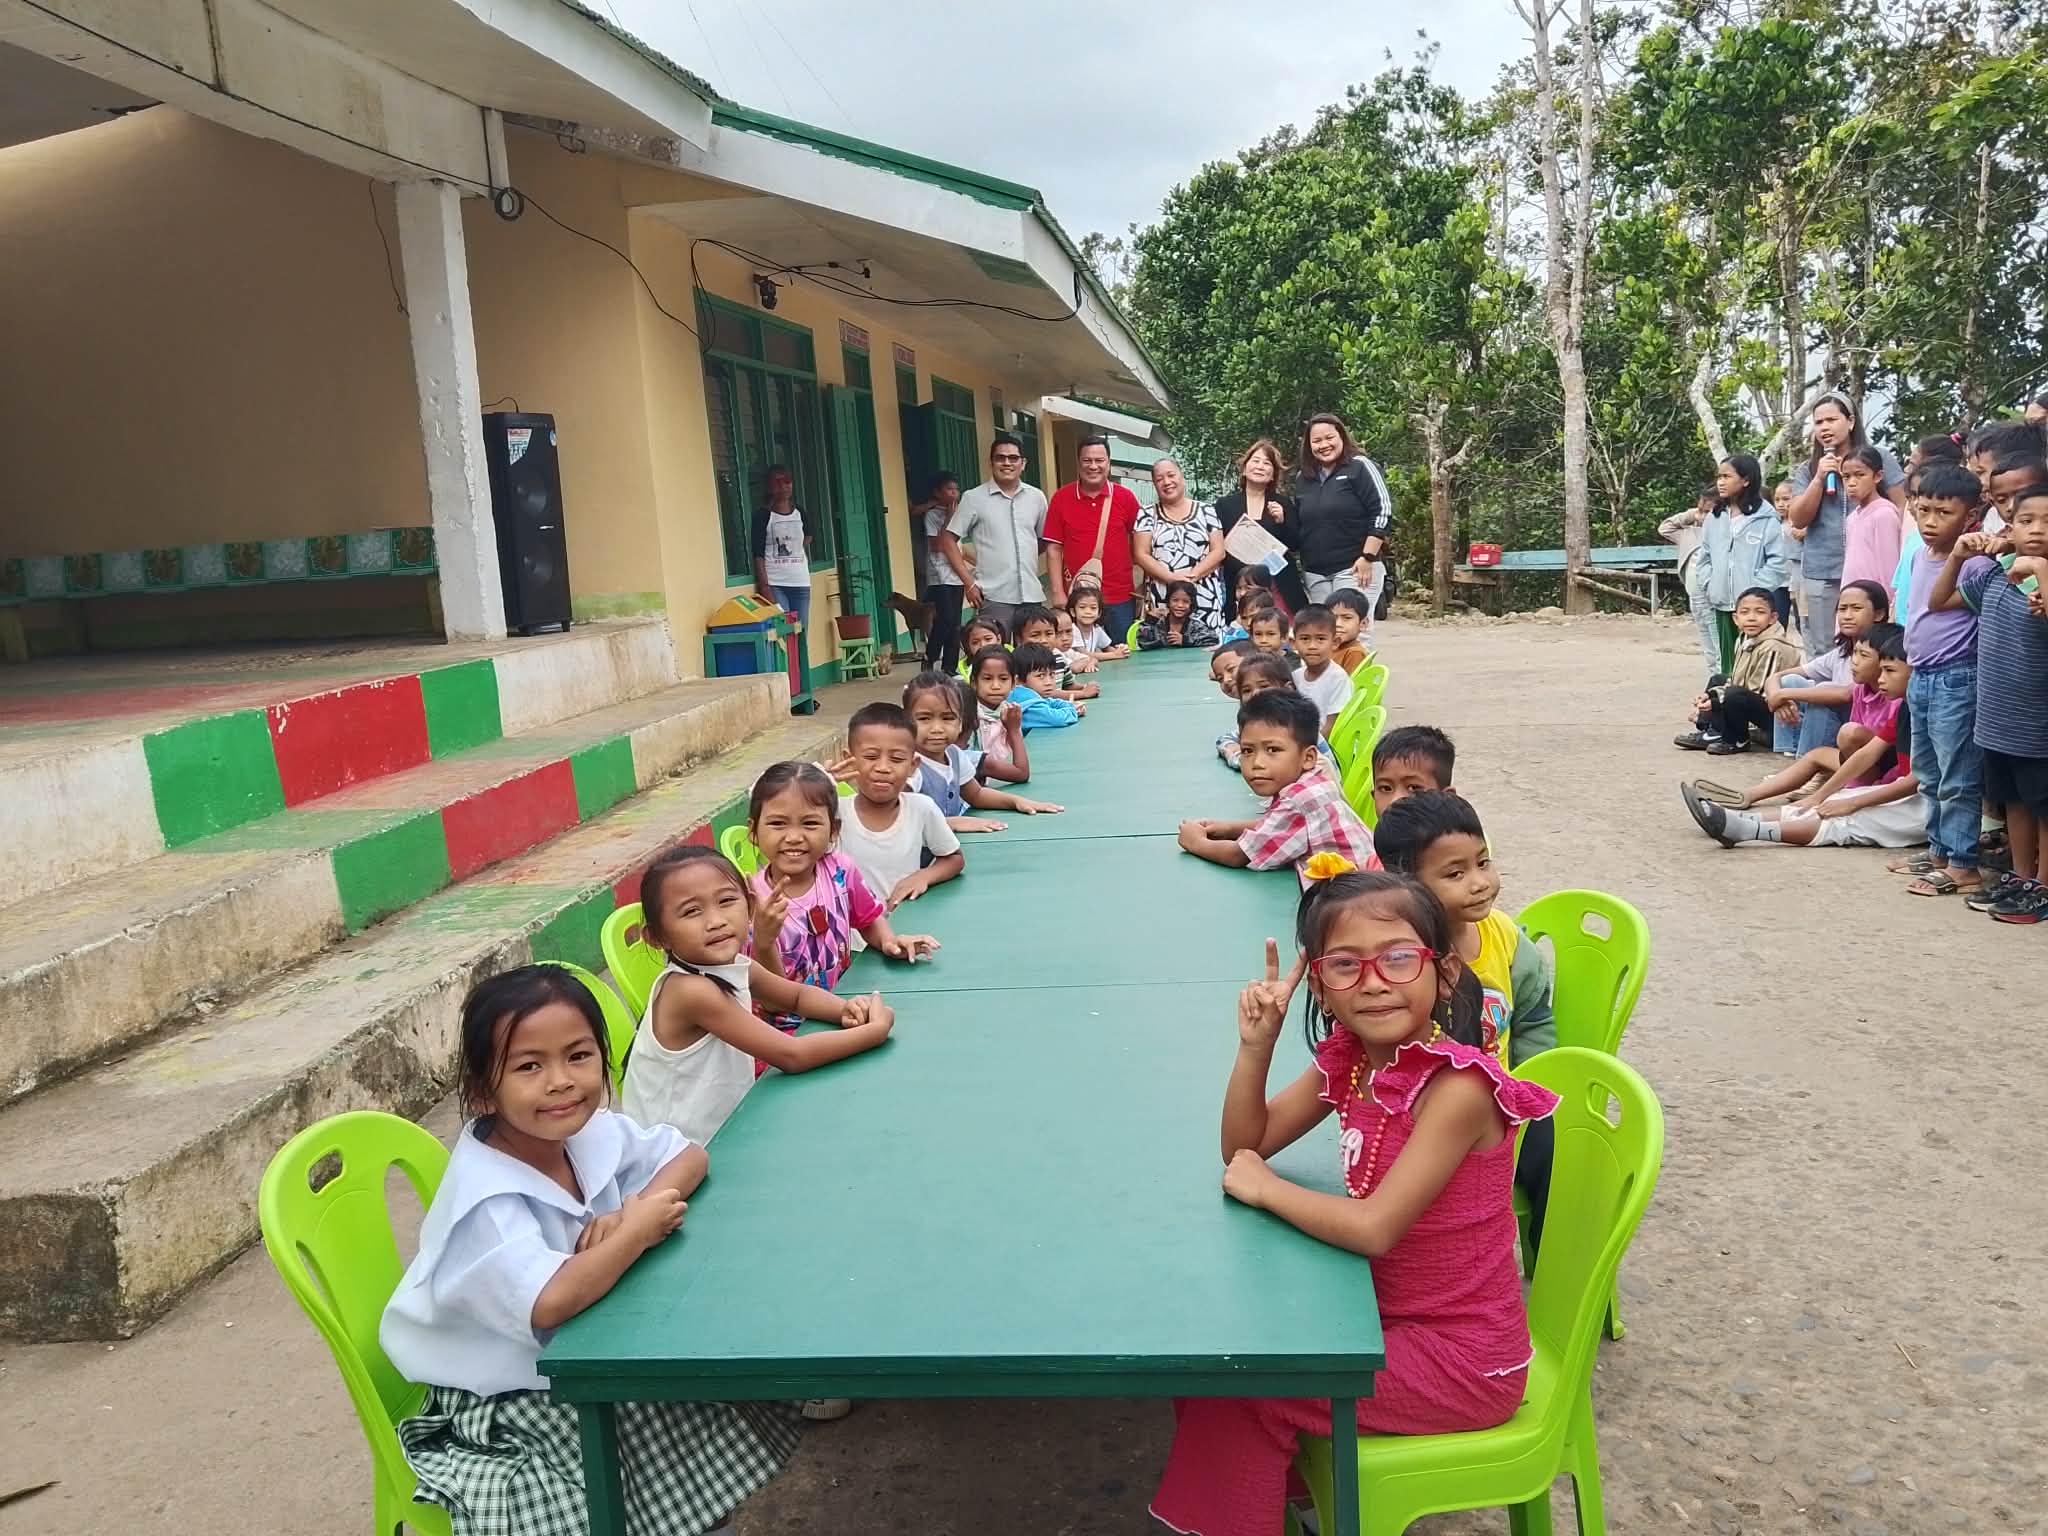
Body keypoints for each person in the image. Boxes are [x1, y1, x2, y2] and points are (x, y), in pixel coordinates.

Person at [1149, 869, 1558, 1536]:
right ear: (1321, 988)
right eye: (1345, 965)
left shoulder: (1457, 1089)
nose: (1373, 980)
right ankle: (1289, 1504)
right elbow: (1246, 1144)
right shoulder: (1355, 1059)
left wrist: (1267, 1188)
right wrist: (1257, 1046)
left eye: (1398, 958)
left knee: (1246, 1389)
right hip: (1383, 1318)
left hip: (1467, 1359)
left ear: (1443, 972)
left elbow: (1371, 1229)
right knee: (1206, 1358)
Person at [382, 967, 802, 1536]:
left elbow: (690, 1157)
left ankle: (691, 1516)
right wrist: (635, 1232)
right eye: (529, 1065)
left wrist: (635, 1209)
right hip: (509, 1395)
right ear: (483, 1089)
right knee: (617, 1479)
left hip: (592, 1346)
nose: (561, 1082)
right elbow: (550, 1302)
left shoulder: (586, 1131)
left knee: (710, 1404)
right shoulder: (486, 1200)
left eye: (578, 1056)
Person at [1373, 791, 1557, 1241]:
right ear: (1406, 884)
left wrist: (1531, 1082)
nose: (1479, 882)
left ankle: (1553, 1252)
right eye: (1455, 873)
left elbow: (1534, 1018)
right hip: (1421, 1111)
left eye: (1483, 862)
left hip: (1503, 1107)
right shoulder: (1402, 959)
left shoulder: (1506, 940)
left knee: (1555, 1154)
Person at [622, 848, 894, 1145]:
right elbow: (792, 1055)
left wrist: (845, 1009)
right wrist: (874, 1031)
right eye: (691, 911)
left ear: (750, 907)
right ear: (658, 937)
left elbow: (795, 997)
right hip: (675, 1158)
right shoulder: (690, 991)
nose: (715, 921)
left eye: (726, 901)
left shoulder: (733, 965)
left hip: (726, 1131)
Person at [1679, 626, 1922, 849]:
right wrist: (1820, 796)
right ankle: (1736, 819)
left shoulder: (1926, 715)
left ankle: (1748, 829)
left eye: (1889, 671)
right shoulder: (1906, 709)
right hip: (1904, 790)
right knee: (1829, 803)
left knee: (1845, 818)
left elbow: (1916, 781)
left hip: (1926, 806)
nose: (1880, 678)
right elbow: (1866, 754)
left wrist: (1854, 802)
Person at [1930, 488, 2048, 921]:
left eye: (2047, 522)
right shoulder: (1996, 576)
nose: (2035, 529)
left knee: (2043, 808)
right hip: (1999, 718)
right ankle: (2020, 876)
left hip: (2039, 721)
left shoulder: (2040, 574)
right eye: (2026, 520)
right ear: (2008, 526)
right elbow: (1938, 602)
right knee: (2012, 801)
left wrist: (2038, 568)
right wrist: (1959, 557)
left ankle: (2043, 888)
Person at [745, 762, 940, 1000]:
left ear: (834, 831)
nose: (794, 837)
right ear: (753, 832)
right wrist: (763, 943)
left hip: (842, 1002)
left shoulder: (839, 871)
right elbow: (770, 1000)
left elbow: (867, 919)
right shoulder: (750, 900)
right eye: (777, 824)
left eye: (810, 823)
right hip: (785, 1027)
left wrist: (888, 941)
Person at [1889, 463, 1994, 898]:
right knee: (1929, 772)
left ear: (1971, 516)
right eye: (1924, 509)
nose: (1931, 522)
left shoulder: (1975, 565)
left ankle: (1962, 863)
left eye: (1944, 513)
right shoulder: (1918, 553)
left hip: (1957, 678)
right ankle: (1938, 851)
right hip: (1922, 674)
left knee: (1957, 775)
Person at [1177, 689, 1376, 882]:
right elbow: (1280, 825)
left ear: (1308, 757)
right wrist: (1228, 828)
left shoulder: (1300, 799)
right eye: (1247, 751)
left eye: (1272, 749)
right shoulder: (1309, 781)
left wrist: (1196, 842)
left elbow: (1239, 855)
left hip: (1356, 899)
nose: (1257, 763)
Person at [1787, 392, 1906, 657]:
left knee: (1871, 646)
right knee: (1824, 648)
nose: (1825, 428)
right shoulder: (1809, 469)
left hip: (1870, 573)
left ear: (1850, 421)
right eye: (1818, 423)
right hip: (1822, 571)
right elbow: (1798, 518)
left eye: (1831, 419)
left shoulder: (1879, 457)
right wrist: (1819, 478)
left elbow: (1903, 507)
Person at [831, 702, 965, 911]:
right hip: (849, 938)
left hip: (904, 931)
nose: (883, 768)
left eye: (897, 759)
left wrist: (923, 876)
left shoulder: (921, 809)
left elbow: (954, 858)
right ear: (849, 760)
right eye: (871, 757)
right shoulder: (833, 813)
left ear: (913, 766)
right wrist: (820, 782)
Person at [902, 671, 1063, 831]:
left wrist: (1016, 801)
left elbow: (976, 794)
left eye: (947, 718)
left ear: (960, 722)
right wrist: (952, 823)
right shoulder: (908, 768)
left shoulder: (954, 755)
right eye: (924, 719)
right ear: (906, 722)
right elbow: (901, 819)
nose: (936, 729)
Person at [1764, 579, 1891, 756]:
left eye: (1856, 609)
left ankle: (1807, 761)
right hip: (1840, 723)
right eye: (1842, 609)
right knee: (1789, 681)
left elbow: (1847, 694)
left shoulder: (1885, 650)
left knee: (1824, 693)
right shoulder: (1841, 652)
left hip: (1865, 728)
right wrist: (1776, 696)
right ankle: (1788, 754)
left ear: (1878, 614)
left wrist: (1782, 695)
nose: (1847, 615)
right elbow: (1776, 677)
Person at [939, 433, 1049, 633]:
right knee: (995, 657)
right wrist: (968, 582)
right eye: (1000, 458)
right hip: (993, 597)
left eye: (1013, 458)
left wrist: (1024, 557)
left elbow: (1043, 540)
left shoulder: (1037, 497)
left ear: (1023, 464)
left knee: (1033, 657)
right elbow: (948, 539)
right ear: (991, 463)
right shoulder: (974, 498)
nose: (1007, 463)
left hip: (1032, 595)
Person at [1674, 587, 1803, 755]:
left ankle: (1737, 739)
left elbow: (1761, 695)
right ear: (1736, 618)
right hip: (1755, 701)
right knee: (1718, 680)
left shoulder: (1773, 647)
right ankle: (1712, 730)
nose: (1751, 618)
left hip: (1777, 717)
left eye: (1760, 612)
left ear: (1772, 618)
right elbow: (1736, 680)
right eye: (1745, 612)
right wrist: (1711, 695)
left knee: (1734, 695)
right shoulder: (1745, 640)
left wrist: (1715, 703)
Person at [1694, 454, 1789, 674]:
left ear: (1746, 480)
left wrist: (1754, 590)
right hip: (1724, 605)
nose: (1720, 482)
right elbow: (1704, 558)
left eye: (1727, 476)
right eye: (1719, 476)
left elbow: (1777, 562)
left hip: (1754, 608)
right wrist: (1711, 585)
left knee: (1758, 663)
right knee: (1729, 665)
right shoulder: (1715, 518)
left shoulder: (1766, 518)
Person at [1294, 413, 1393, 614]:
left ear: (1342, 437)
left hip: (1355, 568)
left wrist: (1367, 556)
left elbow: (1382, 510)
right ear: (1309, 445)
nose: (1324, 445)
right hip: (1315, 573)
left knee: (1352, 634)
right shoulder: (1303, 478)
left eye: (1329, 438)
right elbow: (1301, 522)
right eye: (1317, 441)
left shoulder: (1359, 466)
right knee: (1325, 636)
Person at [1043, 436, 1142, 634]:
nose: (1093, 466)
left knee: (1122, 655)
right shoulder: (1061, 498)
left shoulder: (1126, 498)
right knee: (1080, 656)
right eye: (1087, 461)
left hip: (1119, 596)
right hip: (1076, 599)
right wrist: (1057, 593)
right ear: (1079, 463)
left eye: (1099, 460)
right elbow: (1053, 549)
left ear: (1109, 463)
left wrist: (1142, 587)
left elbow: (1141, 544)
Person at [1134, 457, 1227, 630]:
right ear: (1154, 484)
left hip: (1204, 594)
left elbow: (1219, 551)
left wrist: (1191, 577)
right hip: (1164, 595)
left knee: (1206, 647)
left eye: (1171, 475)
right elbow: (1140, 554)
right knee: (1165, 649)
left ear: (1181, 477)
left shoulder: (1207, 510)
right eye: (1160, 479)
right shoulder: (1146, 514)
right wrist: (1171, 579)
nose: (1167, 482)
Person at [1214, 437, 1303, 618]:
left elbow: (1295, 544)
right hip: (1238, 586)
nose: (1260, 466)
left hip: (1277, 585)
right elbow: (1216, 546)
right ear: (1245, 468)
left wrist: (1282, 521)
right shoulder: (1225, 505)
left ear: (1273, 474)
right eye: (1255, 461)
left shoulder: (1282, 504)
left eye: (1267, 463)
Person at [1660, 484, 1725, 679]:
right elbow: (1665, 527)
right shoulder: (1689, 533)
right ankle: (1713, 677)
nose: (1704, 516)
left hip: (1712, 597)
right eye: (1701, 511)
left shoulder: (1723, 534)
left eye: (1709, 512)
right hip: (1695, 597)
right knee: (1706, 642)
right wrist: (1691, 514)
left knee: (1718, 641)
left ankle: (1722, 677)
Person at [750, 464, 815, 633]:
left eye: (787, 481)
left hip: (800, 582)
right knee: (784, 633)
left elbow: (809, 535)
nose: (783, 486)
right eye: (777, 482)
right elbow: (758, 554)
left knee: (801, 633)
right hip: (775, 583)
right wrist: (764, 587)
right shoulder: (763, 516)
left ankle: (802, 661)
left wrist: (794, 545)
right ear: (769, 487)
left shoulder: (799, 512)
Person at [1840, 445, 1908, 589]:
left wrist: (1888, 604)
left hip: (1874, 600)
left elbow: (1889, 567)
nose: (1851, 483)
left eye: (1859, 475)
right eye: (1846, 477)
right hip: (1853, 597)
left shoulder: (1884, 514)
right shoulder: (1852, 518)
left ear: (1877, 476)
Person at [920, 471, 966, 672]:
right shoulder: (932, 515)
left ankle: (950, 666)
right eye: (949, 489)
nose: (954, 494)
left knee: (955, 623)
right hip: (939, 575)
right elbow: (939, 545)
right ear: (937, 493)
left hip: (957, 574)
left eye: (956, 489)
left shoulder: (961, 514)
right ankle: (930, 656)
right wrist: (948, 519)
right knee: (945, 619)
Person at [967, 645, 1032, 782]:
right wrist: (1013, 731)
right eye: (987, 678)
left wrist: (1013, 729)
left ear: (1014, 682)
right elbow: (1022, 774)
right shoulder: (968, 715)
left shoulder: (1011, 712)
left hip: (1006, 776)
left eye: (1003, 679)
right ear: (974, 682)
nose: (995, 686)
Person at [1289, 603, 1354, 736]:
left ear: (1335, 642)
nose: (1312, 646)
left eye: (1320, 639)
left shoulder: (1337, 678)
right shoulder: (1295, 677)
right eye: (1305, 639)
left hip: (1324, 747)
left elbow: (1332, 726)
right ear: (1294, 643)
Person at [1012, 604, 1100, 698]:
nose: (1044, 640)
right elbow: (1047, 694)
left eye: (1049, 633)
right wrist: (1083, 693)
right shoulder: (1019, 661)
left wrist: (1085, 687)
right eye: (1035, 635)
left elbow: (1068, 685)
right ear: (1019, 640)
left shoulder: (1058, 656)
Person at [1371, 725, 1458, 817]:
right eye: (1386, 788)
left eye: (1413, 788)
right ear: (1374, 796)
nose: (1395, 801)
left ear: (1448, 798)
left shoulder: (1464, 831)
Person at [1009, 642, 1084, 729]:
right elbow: (1058, 719)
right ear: (1018, 681)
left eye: (1051, 674)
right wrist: (1073, 710)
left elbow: (1049, 702)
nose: (1049, 682)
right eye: (1040, 676)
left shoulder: (1029, 694)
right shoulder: (1025, 703)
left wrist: (1069, 705)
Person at [1210, 639, 1257, 769]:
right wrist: (1232, 750)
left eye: (1231, 670)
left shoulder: (1280, 705)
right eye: (1220, 678)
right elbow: (1227, 738)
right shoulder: (1248, 710)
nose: (1226, 680)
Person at [1136, 580, 1220, 649]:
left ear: (1192, 604)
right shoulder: (1158, 623)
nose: (1180, 605)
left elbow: (1213, 640)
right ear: (1168, 601)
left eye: (1186, 601)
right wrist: (1150, 621)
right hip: (1160, 665)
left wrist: (1185, 641)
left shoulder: (1195, 626)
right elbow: (1141, 641)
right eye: (1175, 600)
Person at [1066, 586, 1128, 659]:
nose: (1088, 612)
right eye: (1082, 607)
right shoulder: (1072, 630)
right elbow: (1083, 654)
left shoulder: (1096, 629)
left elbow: (1107, 648)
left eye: (1093, 608)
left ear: (1099, 613)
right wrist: (1115, 655)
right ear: (1073, 612)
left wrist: (1121, 651)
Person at [1325, 588, 1373, 673]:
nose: (1337, 624)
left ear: (1363, 624)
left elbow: (1349, 685)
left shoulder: (1354, 653)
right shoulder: (1328, 648)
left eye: (1347, 618)